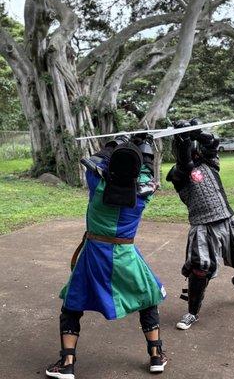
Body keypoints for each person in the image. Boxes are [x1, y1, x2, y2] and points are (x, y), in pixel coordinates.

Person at [46, 135, 167, 379]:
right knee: (147, 300)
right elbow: (146, 175)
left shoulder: (97, 184)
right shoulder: (143, 194)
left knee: (71, 306)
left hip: (93, 256)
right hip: (125, 255)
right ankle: (156, 356)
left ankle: (67, 363)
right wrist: (140, 150)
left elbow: (94, 161)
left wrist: (116, 143)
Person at [166, 119, 234, 330]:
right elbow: (184, 163)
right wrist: (183, 139)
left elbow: (212, 143)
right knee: (200, 271)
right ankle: (192, 313)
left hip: (228, 220)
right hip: (202, 227)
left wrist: (197, 132)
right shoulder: (178, 174)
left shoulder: (210, 162)